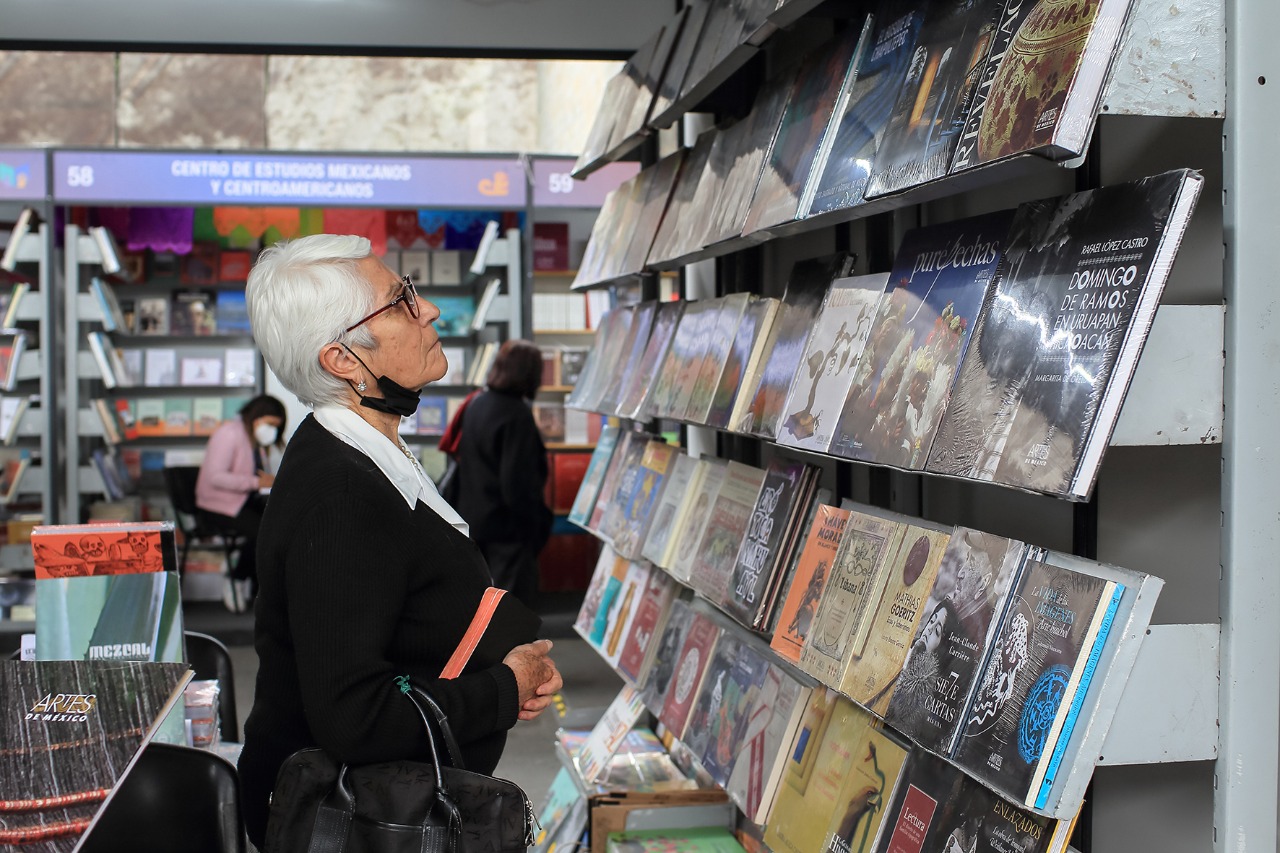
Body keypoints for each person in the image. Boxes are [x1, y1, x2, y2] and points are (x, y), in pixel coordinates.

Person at [237, 234, 562, 849]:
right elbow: (356, 715)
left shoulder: (366, 450)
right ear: (342, 360)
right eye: (402, 301)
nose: (430, 310)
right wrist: (502, 687)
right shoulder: (341, 493)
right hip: (344, 820)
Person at [443, 339, 553, 608]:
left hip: (475, 522)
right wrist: (536, 525)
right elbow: (517, 483)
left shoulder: (478, 404)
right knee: (511, 611)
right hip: (508, 530)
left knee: (484, 609)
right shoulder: (516, 415)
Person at [194, 394, 285, 609]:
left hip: (241, 500)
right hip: (216, 505)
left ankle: (259, 589)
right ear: (256, 417)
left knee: (280, 523)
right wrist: (256, 483)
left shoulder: (254, 439)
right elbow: (215, 477)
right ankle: (237, 578)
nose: (272, 430)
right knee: (263, 532)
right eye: (270, 424)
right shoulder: (229, 434)